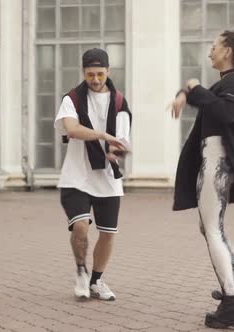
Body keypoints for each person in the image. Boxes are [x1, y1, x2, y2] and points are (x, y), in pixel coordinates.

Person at [169, 29, 234, 328]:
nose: (210, 52)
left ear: (228, 52)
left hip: (217, 164)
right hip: (217, 163)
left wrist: (195, 89)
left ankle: (231, 302)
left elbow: (226, 112)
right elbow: (210, 99)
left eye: (214, 47)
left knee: (213, 231)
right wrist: (187, 92)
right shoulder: (228, 82)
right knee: (211, 228)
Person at [54, 48, 131, 301]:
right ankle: (80, 271)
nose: (95, 79)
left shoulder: (119, 102)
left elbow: (122, 142)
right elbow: (72, 129)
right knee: (80, 227)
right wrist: (103, 135)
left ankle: (96, 281)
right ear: (83, 73)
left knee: (108, 233)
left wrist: (115, 152)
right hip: (76, 176)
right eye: (90, 74)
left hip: (107, 178)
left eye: (100, 73)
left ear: (109, 71)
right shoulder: (72, 99)